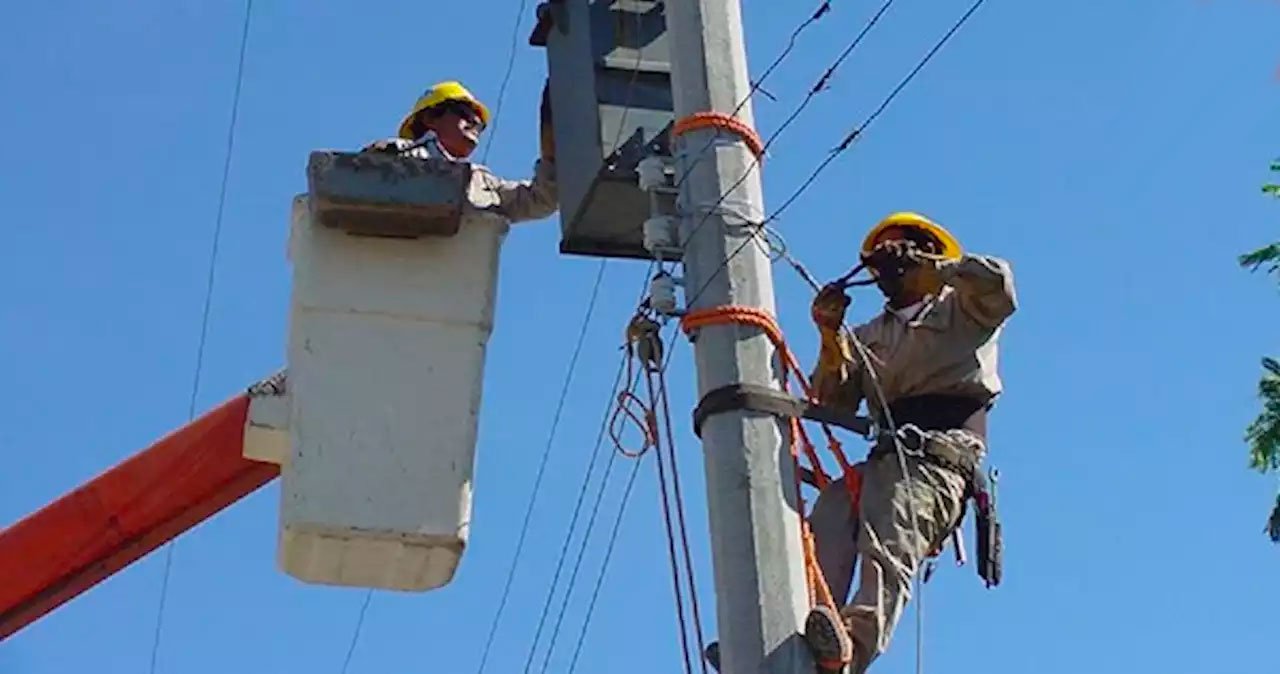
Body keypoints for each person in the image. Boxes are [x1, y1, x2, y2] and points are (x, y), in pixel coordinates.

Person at [801, 211, 1017, 673]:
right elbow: (834, 400)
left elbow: (1000, 287)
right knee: (829, 516)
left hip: (939, 460)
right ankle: (798, 635)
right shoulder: (868, 337)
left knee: (888, 540)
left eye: (902, 252)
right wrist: (829, 336)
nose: (891, 267)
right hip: (884, 458)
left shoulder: (963, 308)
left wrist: (937, 270)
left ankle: (849, 652)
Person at [363, 79, 559, 224]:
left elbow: (542, 200)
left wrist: (551, 141)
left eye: (480, 125)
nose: (474, 124)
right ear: (431, 118)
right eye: (464, 114)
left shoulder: (482, 182)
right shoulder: (395, 156)